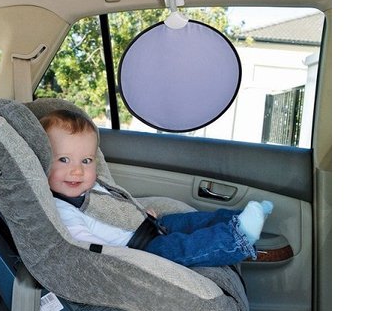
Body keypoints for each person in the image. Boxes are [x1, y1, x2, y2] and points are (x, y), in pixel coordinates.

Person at [39, 108, 273, 268]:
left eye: (86, 161)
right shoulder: (63, 209)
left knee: (189, 221)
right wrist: (129, 256)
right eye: (64, 160)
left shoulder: (93, 187)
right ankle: (237, 238)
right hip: (139, 249)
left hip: (146, 226)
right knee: (182, 248)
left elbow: (119, 205)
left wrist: (141, 214)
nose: (77, 171)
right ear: (42, 161)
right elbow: (87, 247)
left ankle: (237, 218)